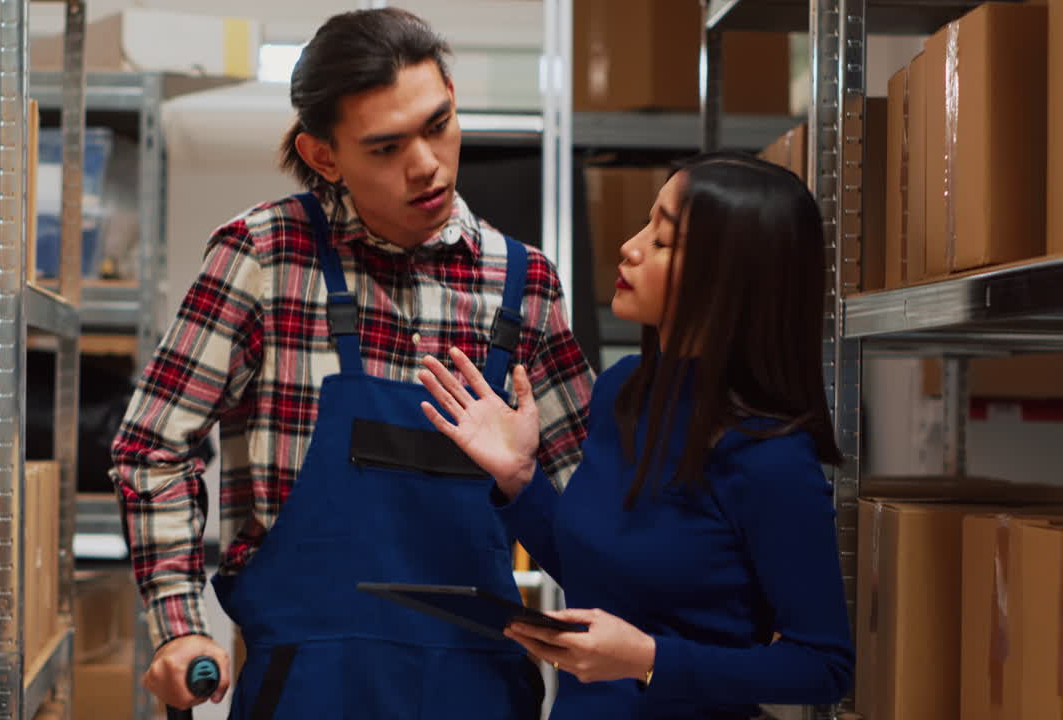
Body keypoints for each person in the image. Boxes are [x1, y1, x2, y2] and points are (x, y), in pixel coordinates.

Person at [108, 7, 594, 717]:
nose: (426, 165)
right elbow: (152, 448)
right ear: (324, 156)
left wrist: (525, 483)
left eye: (438, 124)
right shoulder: (265, 257)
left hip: (478, 690)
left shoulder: (526, 286)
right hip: (307, 687)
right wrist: (178, 628)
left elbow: (586, 515)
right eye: (386, 146)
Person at [418, 153, 855, 719]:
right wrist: (519, 481)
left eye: (664, 239)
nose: (631, 245)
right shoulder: (622, 391)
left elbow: (824, 666)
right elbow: (600, 577)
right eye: (647, 222)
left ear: (728, 277)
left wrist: (650, 660)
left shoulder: (770, 456)